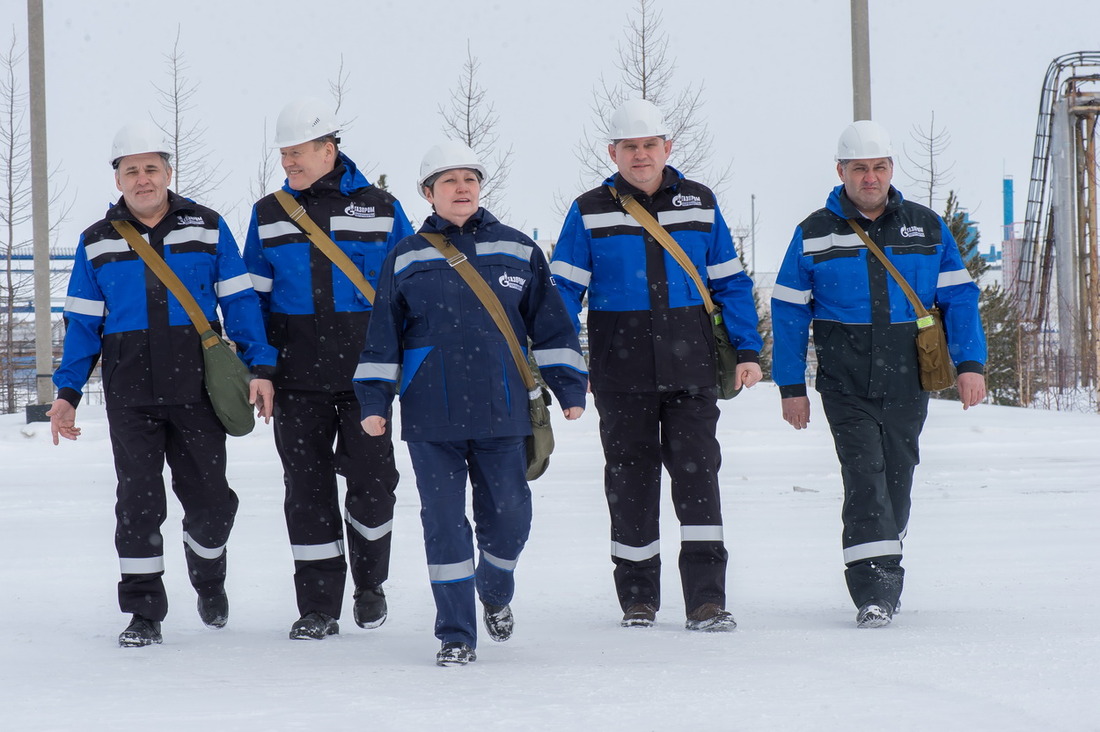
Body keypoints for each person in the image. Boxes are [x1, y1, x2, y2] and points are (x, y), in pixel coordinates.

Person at [354, 141, 587, 666]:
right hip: (430, 418)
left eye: (469, 179)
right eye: (448, 181)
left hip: (502, 411)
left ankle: (496, 585)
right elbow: (382, 337)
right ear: (428, 193)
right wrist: (374, 401)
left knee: (509, 516)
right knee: (443, 523)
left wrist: (570, 386)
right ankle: (455, 633)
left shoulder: (519, 249)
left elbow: (550, 326)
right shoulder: (406, 256)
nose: (461, 189)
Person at [47, 120, 276, 647]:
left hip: (199, 389)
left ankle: (208, 565)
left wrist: (259, 367)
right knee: (138, 502)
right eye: (132, 170)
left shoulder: (208, 226)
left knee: (211, 502)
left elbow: (240, 302)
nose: (143, 178)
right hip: (131, 394)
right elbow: (83, 325)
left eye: (152, 168)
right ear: (118, 180)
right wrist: (67, 392)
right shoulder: (96, 241)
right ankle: (144, 610)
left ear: (169, 173)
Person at [550, 99, 762, 632]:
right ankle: (638, 598)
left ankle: (707, 600)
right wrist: (563, 367)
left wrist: (748, 350)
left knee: (698, 483)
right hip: (620, 376)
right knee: (630, 483)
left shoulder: (701, 202)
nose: (640, 155)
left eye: (649, 145)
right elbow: (562, 294)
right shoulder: (588, 210)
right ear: (613, 152)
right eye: (629, 147)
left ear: (668, 148)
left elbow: (731, 283)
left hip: (691, 372)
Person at [770, 119, 987, 628]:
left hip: (908, 376)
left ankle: (884, 549)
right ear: (841, 171)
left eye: (880, 167)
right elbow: (788, 312)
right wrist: (790, 387)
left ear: (891, 169)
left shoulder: (927, 227)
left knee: (897, 476)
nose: (871, 177)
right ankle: (875, 588)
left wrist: (971, 365)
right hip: (843, 381)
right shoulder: (813, 231)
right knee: (864, 475)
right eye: (860, 168)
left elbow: (958, 298)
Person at [244, 98, 414, 641]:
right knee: (307, 490)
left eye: (298, 152)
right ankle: (318, 605)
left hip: (367, 382)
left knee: (373, 483)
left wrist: (406, 367)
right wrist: (260, 368)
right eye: (284, 154)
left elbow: (409, 288)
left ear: (329, 149)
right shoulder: (268, 213)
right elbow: (255, 301)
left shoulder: (381, 207)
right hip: (295, 380)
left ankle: (370, 583)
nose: (289, 162)